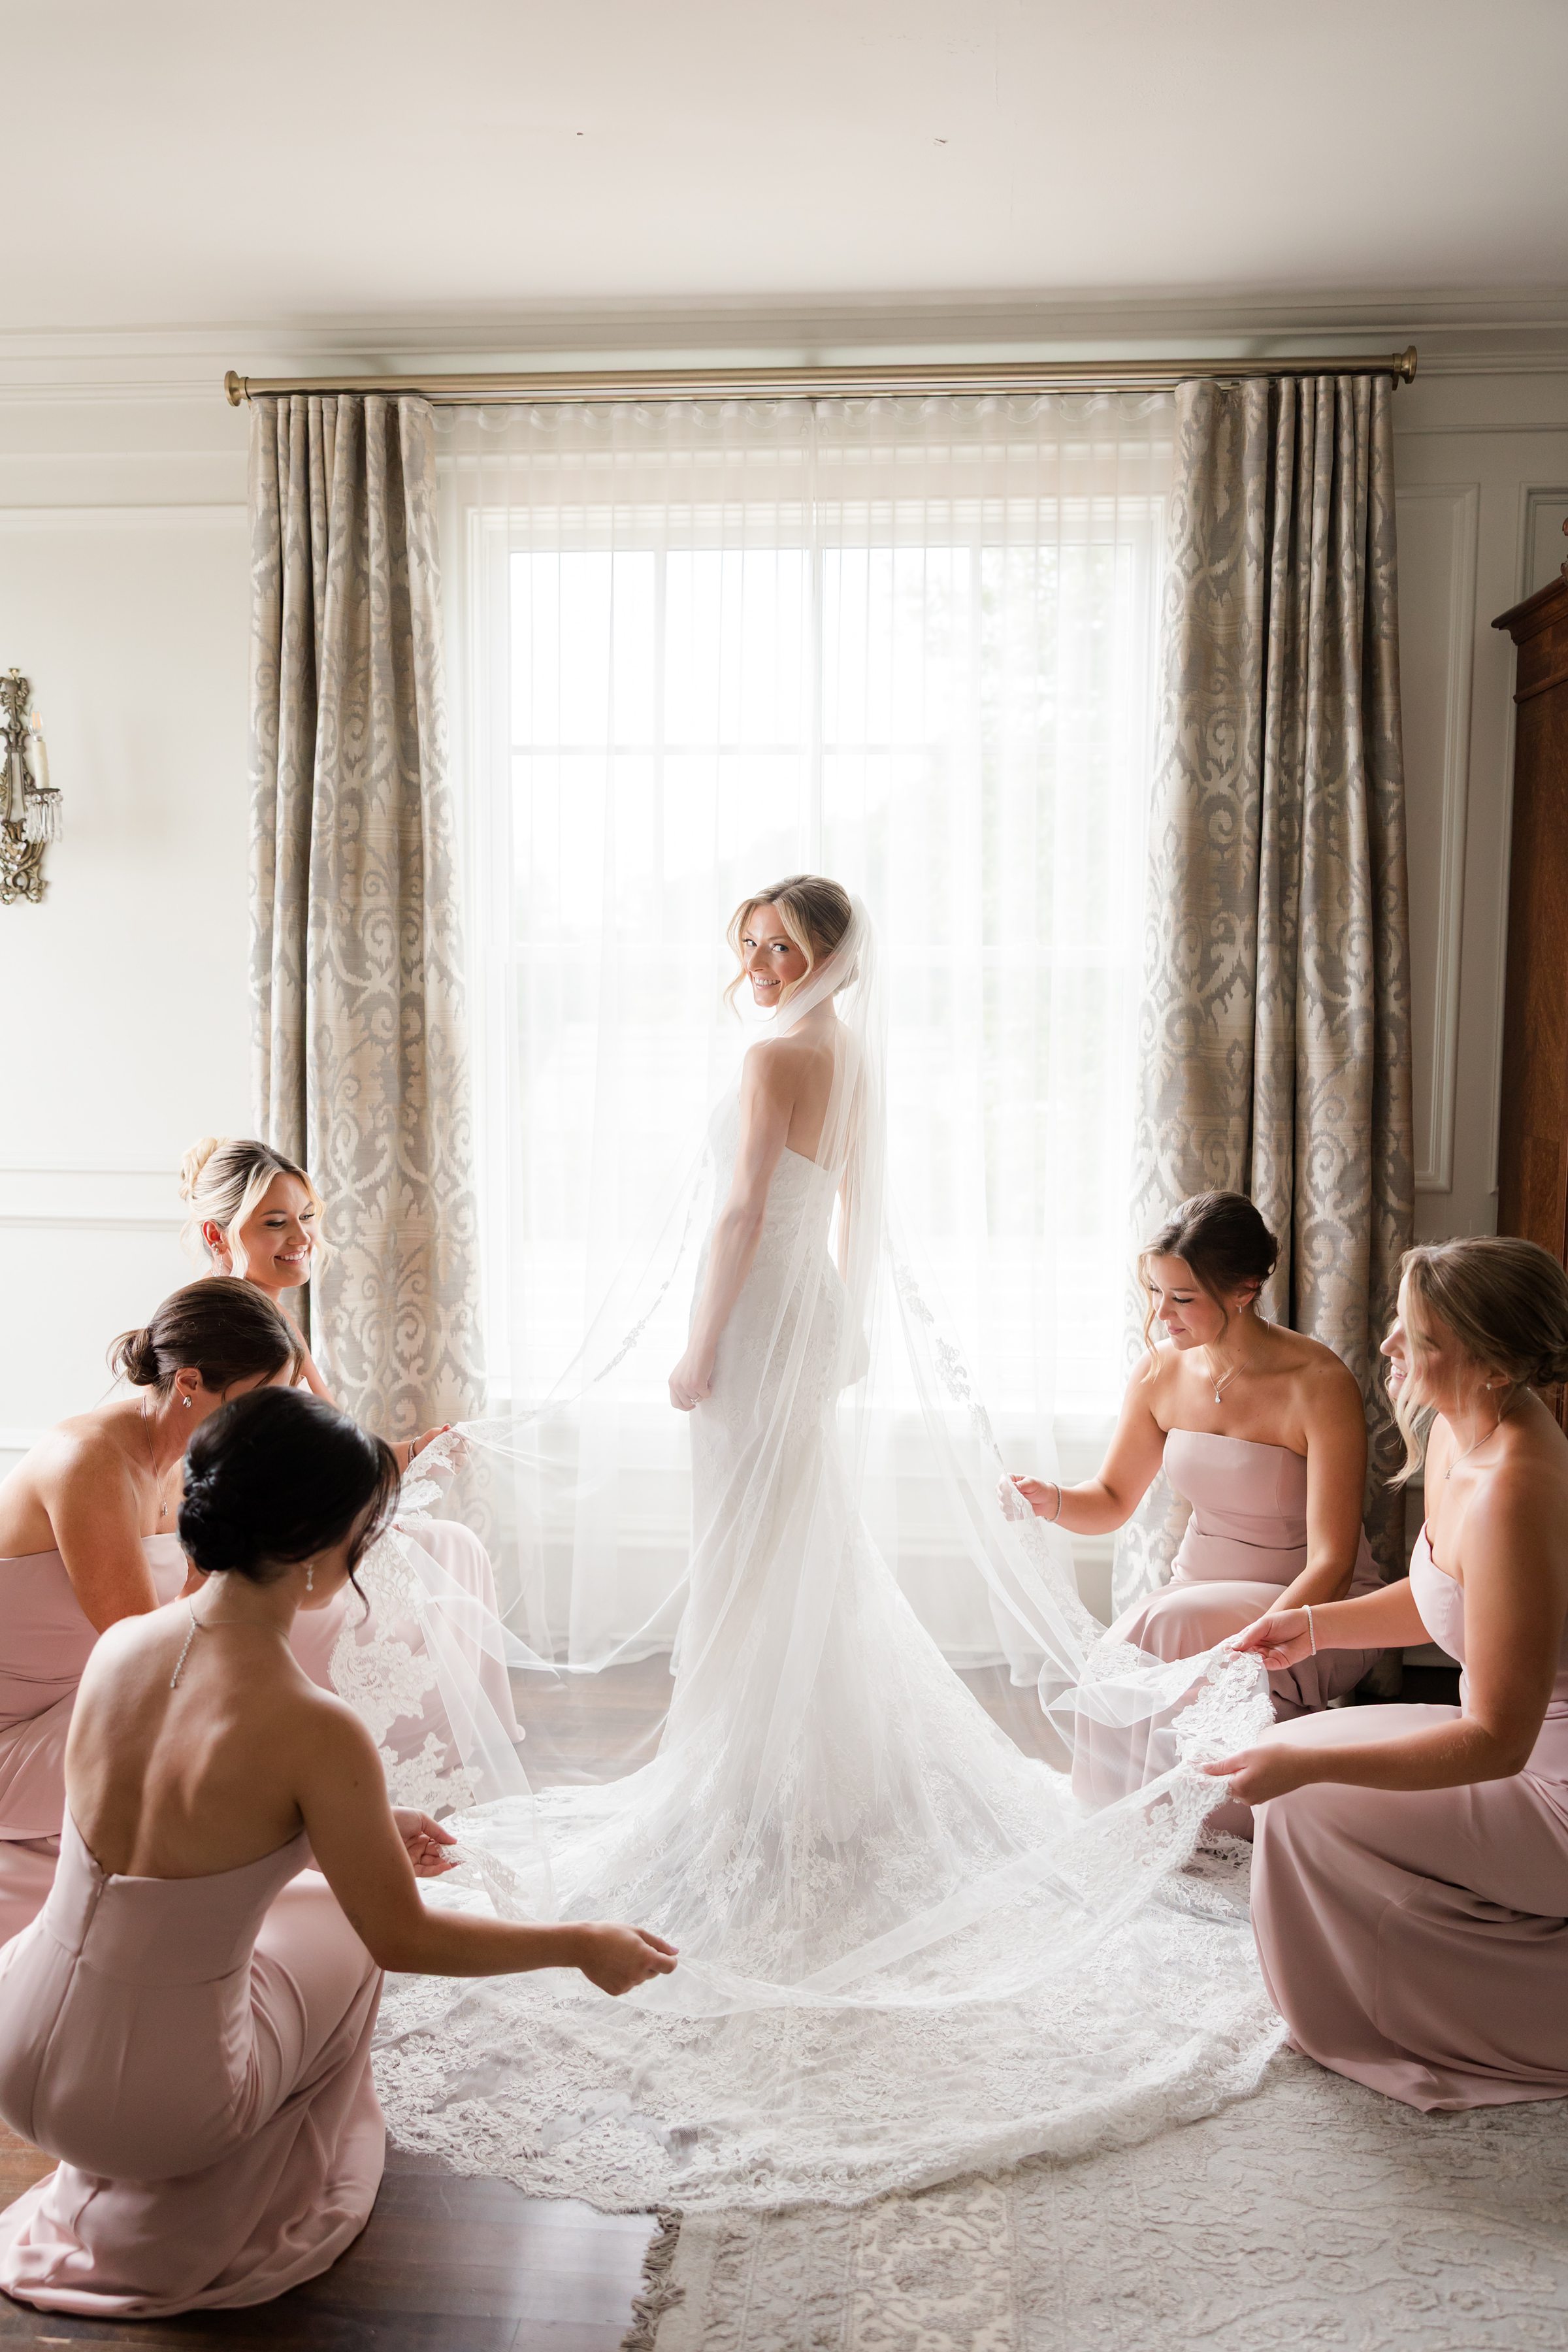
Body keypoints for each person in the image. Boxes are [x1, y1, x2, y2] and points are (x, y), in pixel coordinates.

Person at [340, 880, 1284, 2212]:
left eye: (788, 948)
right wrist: (825, 1327)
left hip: (753, 1317)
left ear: (832, 956)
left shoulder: (783, 1051)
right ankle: (803, 1775)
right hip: (806, 1311)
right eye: (755, 947)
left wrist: (695, 1346)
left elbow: (738, 1215)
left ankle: (760, 1779)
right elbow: (843, 1219)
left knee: (760, 1546)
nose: (767, 966)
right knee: (792, 1544)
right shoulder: (843, 1052)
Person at [0, 1386, 676, 2319]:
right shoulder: (313, 1727)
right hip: (156, 2114)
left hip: (19, 2044)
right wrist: (580, 1944)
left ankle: (115, 2181)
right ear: (322, 1551)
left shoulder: (120, 1652)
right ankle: (230, 2196)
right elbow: (406, 1939)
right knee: (354, 1936)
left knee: (296, 1906)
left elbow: (172, 1834)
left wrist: (352, 1825)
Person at [1208, 1237, 1568, 2108]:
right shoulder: (1459, 1430)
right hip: (1507, 1741)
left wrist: (1309, 1766)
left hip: (1545, 1783)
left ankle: (1419, 2010)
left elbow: (1496, 1744)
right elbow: (1450, 1594)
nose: (1388, 1348)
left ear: (1493, 1365)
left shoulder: (1517, 1483)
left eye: (1419, 1337)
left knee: (1300, 1787)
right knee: (1294, 1758)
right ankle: (1376, 1984)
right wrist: (1312, 1626)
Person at [1007, 1192, 1381, 1827]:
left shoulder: (1318, 1384)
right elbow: (1114, 1499)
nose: (1162, 1314)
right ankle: (1134, 1828)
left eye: (1182, 1298)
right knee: (1125, 1653)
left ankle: (1203, 1823)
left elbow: (1334, 1563)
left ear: (1245, 1289)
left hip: (1312, 1602)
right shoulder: (1159, 1373)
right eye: (1156, 1292)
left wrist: (1254, 1641)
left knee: (1169, 1624)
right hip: (1196, 1593)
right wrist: (1055, 1502)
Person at [178, 1134, 517, 1737]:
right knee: (438, 1556)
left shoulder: (275, 1314)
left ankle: (455, 1758)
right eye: (276, 1223)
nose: (302, 1238)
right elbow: (243, 1470)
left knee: (452, 1546)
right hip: (251, 1541)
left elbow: (328, 1443)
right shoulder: (222, 1324)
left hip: (288, 1518)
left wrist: (413, 1450)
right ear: (216, 1235)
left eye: (307, 1217)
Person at [0, 1281, 302, 1943]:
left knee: (259, 1697)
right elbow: (144, 1656)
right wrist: (209, 1574)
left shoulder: (189, 1460)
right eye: (252, 1405)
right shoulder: (90, 1462)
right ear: (190, 1381)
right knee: (223, 1729)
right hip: (12, 1737)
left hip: (79, 1701)